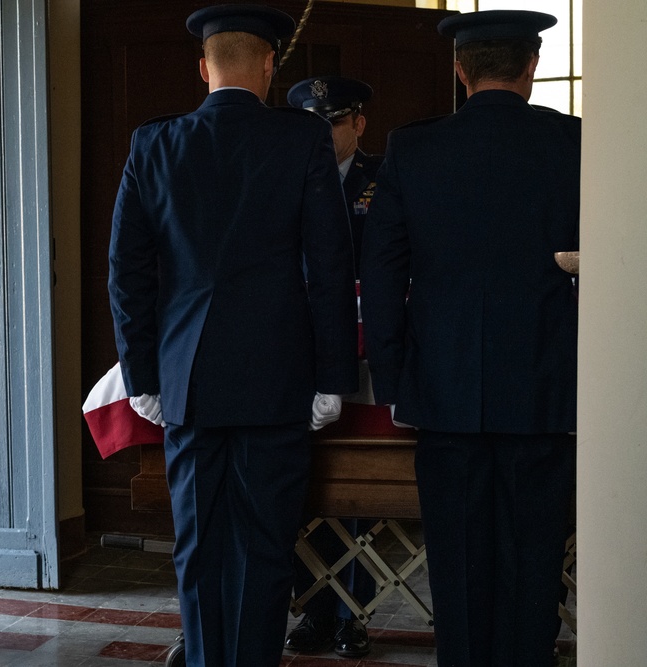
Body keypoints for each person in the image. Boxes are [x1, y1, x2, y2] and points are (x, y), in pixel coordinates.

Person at [108, 4, 360, 665]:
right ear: (270, 66)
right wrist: (332, 376)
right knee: (264, 545)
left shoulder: (153, 143)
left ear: (203, 68)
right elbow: (329, 267)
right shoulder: (301, 140)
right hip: (277, 375)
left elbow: (127, 273)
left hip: (185, 378)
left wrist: (142, 377)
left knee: (197, 543)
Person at [359, 10, 579, 666]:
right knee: (534, 562)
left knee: (457, 567)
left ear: (460, 71)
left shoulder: (413, 148)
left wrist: (397, 383)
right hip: (545, 387)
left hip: (444, 391)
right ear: (532, 67)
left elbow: (382, 269)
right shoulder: (575, 143)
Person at [283, 75, 383, 659]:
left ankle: (354, 614)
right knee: (309, 491)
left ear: (358, 124)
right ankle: (315, 611)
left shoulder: (384, 180)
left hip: (365, 352)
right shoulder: (287, 175)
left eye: (335, 123)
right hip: (304, 350)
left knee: (360, 491)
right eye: (313, 126)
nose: (324, 136)